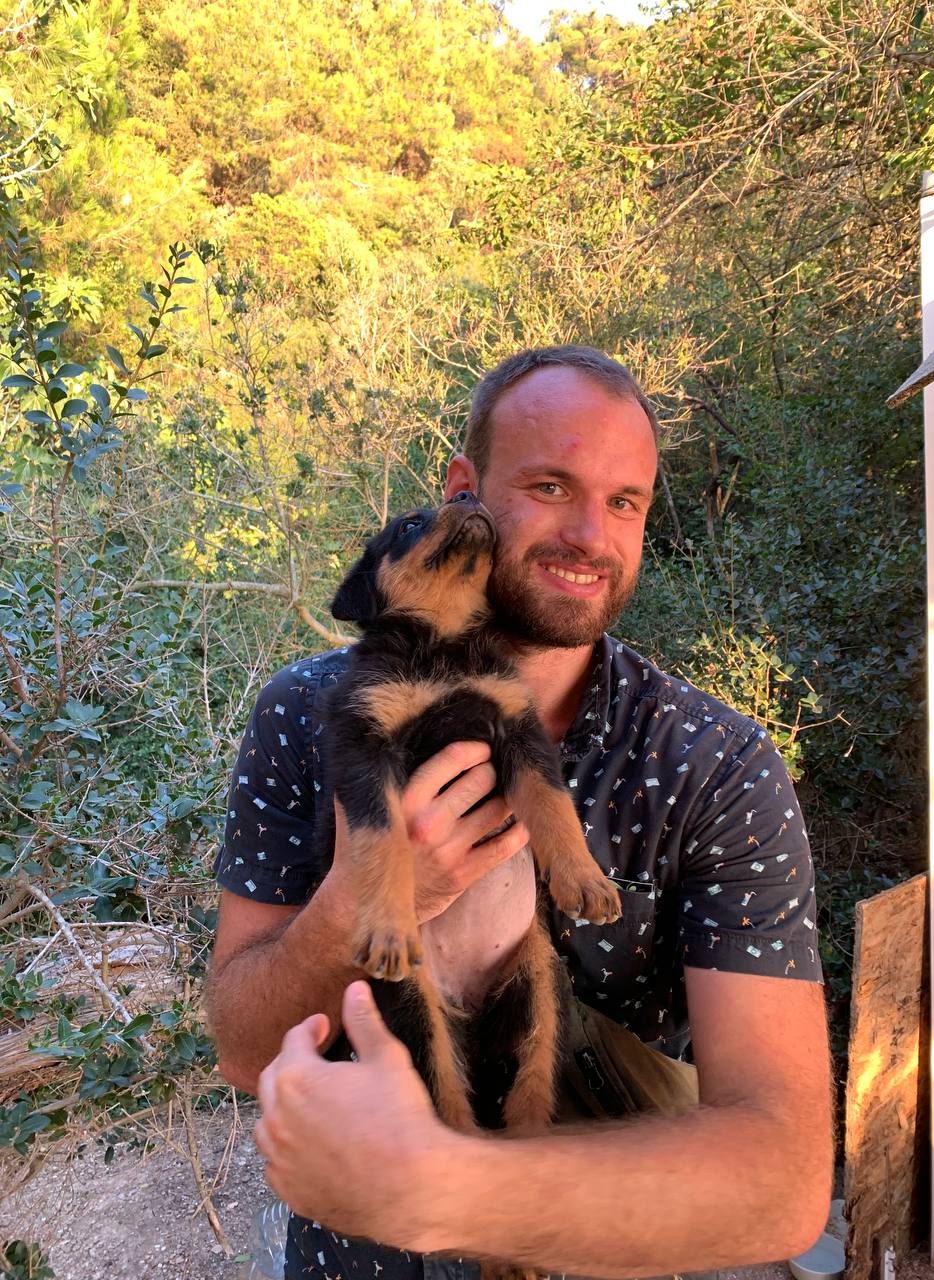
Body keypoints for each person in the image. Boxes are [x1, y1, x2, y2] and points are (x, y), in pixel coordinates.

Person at [206, 346, 833, 1280]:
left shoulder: (715, 766)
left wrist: (450, 1193)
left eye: (625, 502)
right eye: (550, 486)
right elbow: (244, 1052)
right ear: (466, 491)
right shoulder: (304, 712)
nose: (590, 534)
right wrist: (361, 904)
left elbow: (784, 1186)